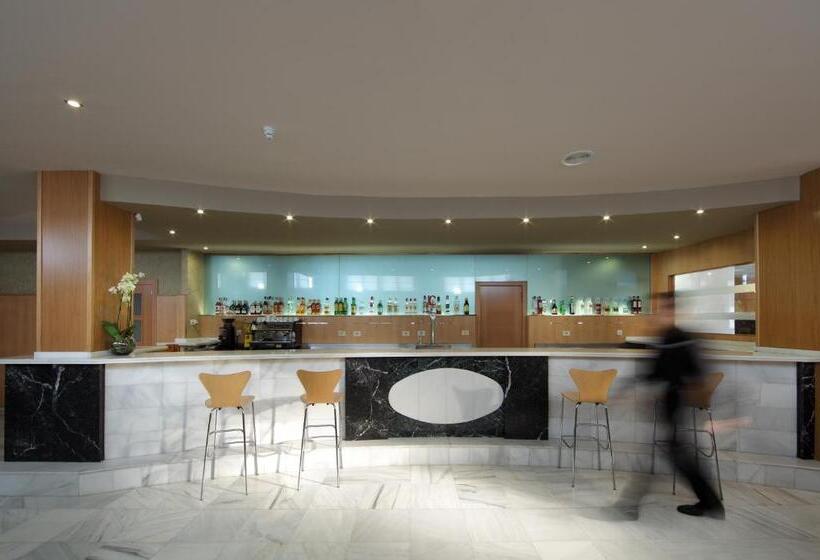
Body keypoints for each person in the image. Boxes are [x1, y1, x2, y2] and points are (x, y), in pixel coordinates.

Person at [646, 292, 724, 518]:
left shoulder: (676, 338)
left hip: (675, 401)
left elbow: (666, 371)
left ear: (671, 310)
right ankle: (709, 501)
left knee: (678, 454)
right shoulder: (674, 337)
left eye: (662, 309)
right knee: (676, 452)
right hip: (673, 400)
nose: (658, 313)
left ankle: (710, 502)